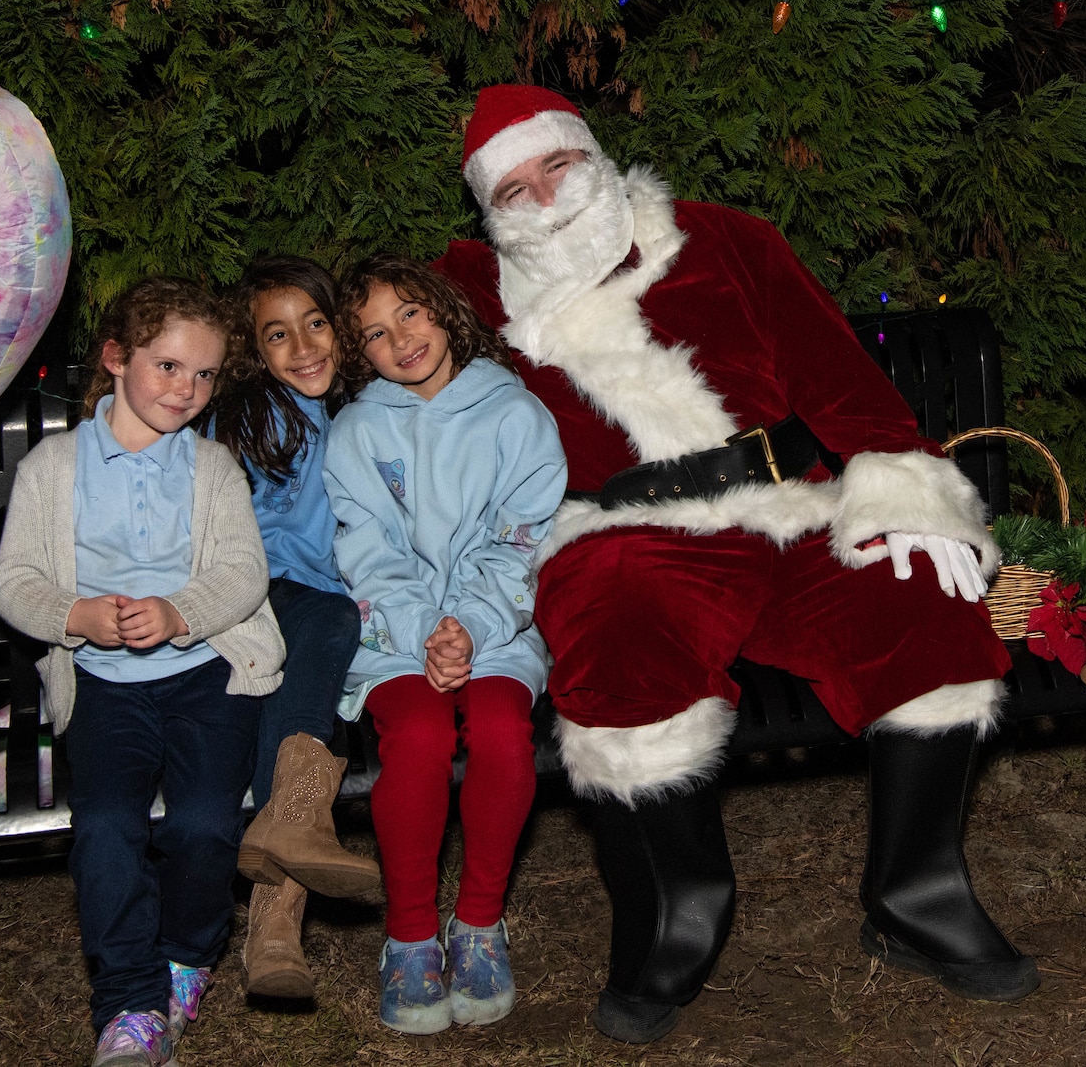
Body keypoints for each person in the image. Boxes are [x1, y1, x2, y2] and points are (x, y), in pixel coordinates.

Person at [435, 84, 1037, 1045]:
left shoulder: (726, 240)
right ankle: (680, 905)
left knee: (922, 600)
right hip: (618, 535)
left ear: (592, 154)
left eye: (556, 165)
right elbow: (370, 356)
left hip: (786, 508)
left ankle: (916, 888)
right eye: (514, 189)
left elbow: (840, 377)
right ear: (487, 213)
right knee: (618, 636)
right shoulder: (467, 295)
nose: (544, 197)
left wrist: (903, 485)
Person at [0, 279, 285, 1067]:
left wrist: (180, 611)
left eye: (203, 375)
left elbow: (243, 571)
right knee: (108, 827)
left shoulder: (213, 467)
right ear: (117, 359)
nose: (185, 390)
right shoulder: (54, 468)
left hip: (208, 674)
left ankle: (187, 957)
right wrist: (77, 617)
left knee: (203, 822)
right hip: (104, 685)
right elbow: (16, 580)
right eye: (167, 367)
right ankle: (129, 1000)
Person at [322, 253, 566, 1036]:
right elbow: (364, 547)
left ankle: (480, 923)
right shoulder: (358, 430)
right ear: (362, 355)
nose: (402, 339)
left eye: (412, 314)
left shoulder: (516, 414)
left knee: (500, 731)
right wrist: (428, 629)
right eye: (377, 333)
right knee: (421, 736)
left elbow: (525, 537)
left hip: (497, 624)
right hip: (397, 632)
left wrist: (470, 624)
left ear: (444, 310)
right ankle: (412, 935)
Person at [208, 256, 383, 999]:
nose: (304, 346)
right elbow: (274, 538)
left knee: (303, 701)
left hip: (309, 611)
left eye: (315, 324)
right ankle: (288, 853)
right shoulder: (260, 412)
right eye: (278, 334)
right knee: (328, 621)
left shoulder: (350, 412)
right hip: (255, 592)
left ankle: (276, 912)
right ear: (254, 349)